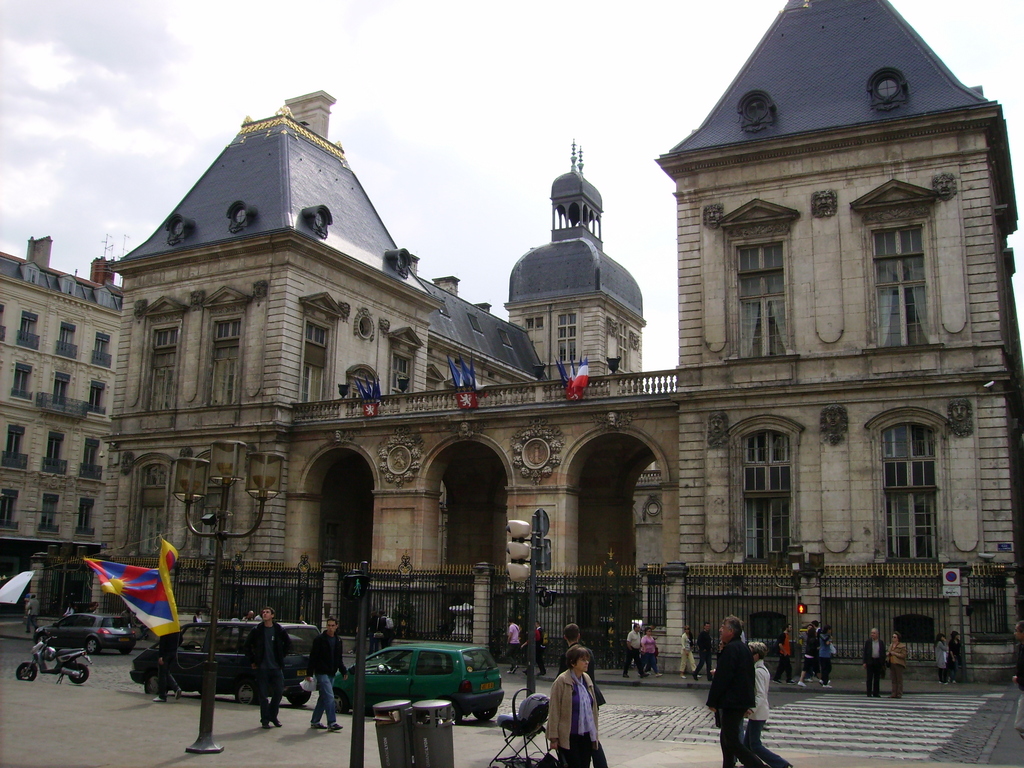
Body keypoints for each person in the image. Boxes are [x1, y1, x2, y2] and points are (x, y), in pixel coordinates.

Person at [706, 615, 768, 768]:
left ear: (731, 631)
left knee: (733, 742)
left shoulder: (733, 649)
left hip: (732, 702)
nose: (720, 629)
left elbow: (723, 677)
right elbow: (747, 676)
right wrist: (748, 702)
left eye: (723, 627)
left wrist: (712, 701)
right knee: (727, 739)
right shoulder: (742, 648)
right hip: (738, 701)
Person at [558, 624, 609, 768]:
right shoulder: (589, 652)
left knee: (589, 736)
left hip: (582, 698)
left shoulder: (568, 656)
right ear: (579, 635)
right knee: (591, 736)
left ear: (565, 637)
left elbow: (562, 680)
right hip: (591, 697)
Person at [549, 646, 600, 768]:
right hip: (569, 735)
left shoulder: (586, 679)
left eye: (587, 659)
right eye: (583, 660)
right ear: (573, 662)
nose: (587, 662)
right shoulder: (561, 681)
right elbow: (554, 710)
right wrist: (553, 738)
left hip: (586, 733)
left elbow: (592, 706)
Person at [744, 642, 791, 768]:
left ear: (757, 655)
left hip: (758, 713)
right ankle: (751, 763)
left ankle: (781, 764)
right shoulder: (760, 669)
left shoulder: (758, 672)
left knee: (754, 745)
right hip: (759, 712)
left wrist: (750, 709)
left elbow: (760, 694)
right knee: (747, 744)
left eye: (751, 653)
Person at [244, 606, 292, 728]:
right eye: (263, 612)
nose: (265, 614)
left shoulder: (279, 630)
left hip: (276, 667)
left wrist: (282, 656)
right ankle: (265, 720)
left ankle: (273, 716)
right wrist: (253, 660)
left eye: (267, 612)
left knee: (279, 692)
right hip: (262, 668)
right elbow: (247, 645)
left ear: (272, 615)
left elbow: (288, 643)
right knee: (263, 696)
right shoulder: (257, 630)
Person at [307, 616, 346, 732]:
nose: (330, 628)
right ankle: (332, 722)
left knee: (323, 698)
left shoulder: (338, 640)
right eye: (328, 625)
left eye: (333, 625)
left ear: (336, 626)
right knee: (329, 697)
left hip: (331, 672)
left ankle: (315, 721)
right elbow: (313, 657)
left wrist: (343, 670)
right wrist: (309, 673)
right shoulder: (320, 639)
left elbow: (339, 658)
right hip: (321, 672)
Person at [153, 630, 183, 702]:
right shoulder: (176, 628)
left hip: (166, 653)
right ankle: (176, 688)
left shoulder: (165, 628)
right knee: (166, 672)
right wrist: (175, 647)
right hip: (173, 652)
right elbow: (181, 639)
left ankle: (162, 695)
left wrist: (161, 656)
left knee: (162, 674)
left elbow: (163, 642)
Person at [862, 627, 886, 698]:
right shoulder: (868, 642)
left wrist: (882, 662)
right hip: (870, 661)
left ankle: (876, 693)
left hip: (878, 661)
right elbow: (865, 652)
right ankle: (869, 692)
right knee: (869, 678)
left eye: (874, 633)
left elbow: (883, 652)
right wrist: (864, 662)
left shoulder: (881, 642)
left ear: (877, 634)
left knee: (877, 678)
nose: (872, 634)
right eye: (872, 633)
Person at [1012, 619, 1024, 741]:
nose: (1015, 633)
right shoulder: (1021, 647)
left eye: (1017, 631)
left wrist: (1018, 679)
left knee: (1020, 725)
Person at [887, 630, 908, 698]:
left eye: (894, 637)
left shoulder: (902, 646)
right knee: (893, 679)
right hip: (892, 663)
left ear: (898, 638)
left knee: (899, 679)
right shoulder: (891, 645)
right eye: (893, 637)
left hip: (898, 663)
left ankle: (899, 693)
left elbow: (903, 655)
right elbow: (889, 652)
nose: (893, 638)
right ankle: (893, 693)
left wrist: (895, 654)